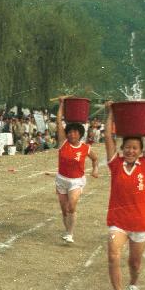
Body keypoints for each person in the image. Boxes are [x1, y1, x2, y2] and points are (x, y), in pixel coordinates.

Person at [103, 100, 145, 290]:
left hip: (140, 222)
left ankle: (133, 284)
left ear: (140, 150)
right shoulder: (115, 164)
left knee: (134, 263)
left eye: (135, 148)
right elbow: (108, 136)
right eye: (127, 147)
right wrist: (110, 113)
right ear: (122, 148)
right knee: (113, 255)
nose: (130, 151)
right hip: (118, 221)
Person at [55, 97, 100, 244]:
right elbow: (58, 122)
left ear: (80, 134)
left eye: (75, 132)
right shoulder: (63, 143)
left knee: (72, 205)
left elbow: (95, 159)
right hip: (61, 179)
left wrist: (95, 170)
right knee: (64, 209)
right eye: (70, 132)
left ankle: (70, 233)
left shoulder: (85, 148)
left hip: (76, 181)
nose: (72, 134)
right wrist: (61, 104)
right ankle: (67, 231)